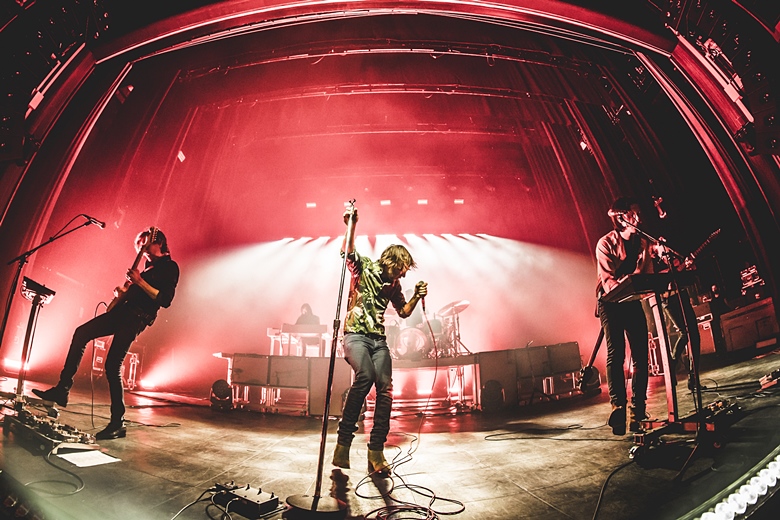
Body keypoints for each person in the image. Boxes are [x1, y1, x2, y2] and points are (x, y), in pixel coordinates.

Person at [33, 227, 179, 440]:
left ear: (158, 243)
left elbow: (165, 300)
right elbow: (131, 295)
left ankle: (117, 423)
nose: (142, 251)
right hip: (122, 312)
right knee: (81, 333)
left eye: (145, 246)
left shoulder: (170, 267)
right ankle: (62, 389)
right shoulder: (147, 268)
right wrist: (122, 292)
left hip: (136, 319)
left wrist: (139, 282)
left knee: (112, 365)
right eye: (140, 247)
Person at [331, 207, 427, 475]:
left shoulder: (394, 285)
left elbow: (404, 312)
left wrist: (416, 296)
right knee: (365, 376)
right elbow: (347, 252)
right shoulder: (364, 268)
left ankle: (376, 451)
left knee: (385, 388)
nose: (404, 276)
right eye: (403, 269)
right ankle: (343, 443)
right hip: (355, 335)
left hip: (378, 340)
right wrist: (352, 225)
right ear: (391, 261)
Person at [596, 197, 655, 435]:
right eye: (633, 214)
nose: (638, 218)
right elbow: (609, 281)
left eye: (639, 213)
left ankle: (638, 408)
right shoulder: (605, 243)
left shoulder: (642, 243)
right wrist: (635, 276)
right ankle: (618, 406)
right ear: (620, 217)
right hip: (610, 302)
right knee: (616, 353)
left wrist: (650, 253)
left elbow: (646, 276)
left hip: (632, 301)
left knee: (641, 354)